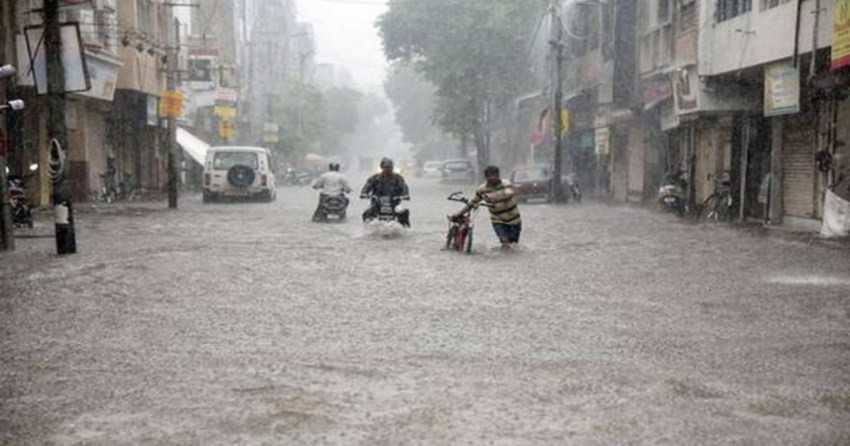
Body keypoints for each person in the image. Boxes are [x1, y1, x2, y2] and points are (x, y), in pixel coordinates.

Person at [453, 165, 521, 248]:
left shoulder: (506, 183)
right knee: (504, 242)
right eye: (490, 176)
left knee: (513, 243)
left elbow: (509, 193)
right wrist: (460, 213)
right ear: (485, 177)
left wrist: (496, 199)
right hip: (498, 220)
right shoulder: (481, 189)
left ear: (498, 175)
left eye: (494, 175)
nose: (492, 178)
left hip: (514, 219)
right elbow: (473, 202)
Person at [360, 157, 411, 227]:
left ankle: (406, 229)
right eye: (386, 167)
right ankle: (366, 228)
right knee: (367, 213)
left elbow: (404, 187)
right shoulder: (374, 178)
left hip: (394, 203)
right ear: (382, 167)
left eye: (389, 167)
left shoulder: (398, 178)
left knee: (404, 213)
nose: (388, 169)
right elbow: (367, 187)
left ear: (392, 167)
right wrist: (364, 194)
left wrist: (405, 195)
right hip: (377, 203)